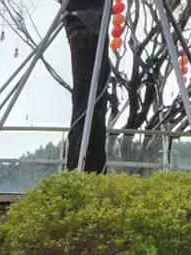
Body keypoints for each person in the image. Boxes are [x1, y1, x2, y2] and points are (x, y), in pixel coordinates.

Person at [63, 0, 112, 173]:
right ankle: (84, 169)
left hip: (90, 21)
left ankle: (85, 170)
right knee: (87, 97)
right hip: (84, 22)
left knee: (91, 98)